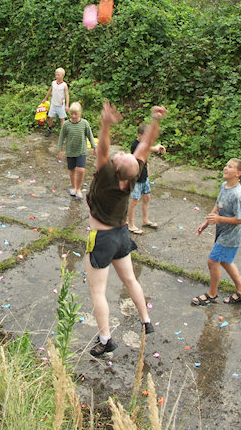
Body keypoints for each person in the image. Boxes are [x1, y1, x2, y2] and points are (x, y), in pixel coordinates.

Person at [85, 101, 165, 357]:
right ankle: (146, 321)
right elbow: (145, 145)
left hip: (102, 238)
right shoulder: (133, 174)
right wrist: (156, 120)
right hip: (121, 236)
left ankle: (105, 339)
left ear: (116, 168)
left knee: (98, 291)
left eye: (121, 156)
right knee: (130, 280)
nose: (120, 152)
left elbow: (102, 148)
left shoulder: (107, 176)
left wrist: (105, 123)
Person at [192, 158, 241, 306]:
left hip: (231, 236)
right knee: (225, 261)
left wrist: (219, 219)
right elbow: (218, 205)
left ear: (238, 173)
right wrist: (207, 221)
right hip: (223, 232)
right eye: (226, 165)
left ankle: (212, 294)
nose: (225, 168)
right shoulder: (224, 186)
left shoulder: (238, 195)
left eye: (230, 167)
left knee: (213, 261)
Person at [127, 124, 166, 234]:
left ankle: (145, 220)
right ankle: (131, 224)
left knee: (147, 197)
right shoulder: (135, 146)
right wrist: (156, 148)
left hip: (144, 177)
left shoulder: (143, 144)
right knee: (134, 201)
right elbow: (145, 148)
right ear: (140, 136)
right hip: (136, 179)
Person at [57, 101, 96, 199]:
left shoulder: (84, 123)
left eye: (76, 114)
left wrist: (94, 147)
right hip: (70, 151)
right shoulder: (66, 124)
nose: (73, 116)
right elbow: (61, 137)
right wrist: (60, 150)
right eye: (71, 114)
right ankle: (73, 187)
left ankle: (78, 188)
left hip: (81, 150)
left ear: (80, 113)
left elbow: (90, 136)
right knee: (72, 170)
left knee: (81, 170)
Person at [43, 67, 69, 137]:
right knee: (51, 117)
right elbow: (50, 91)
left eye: (58, 75)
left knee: (62, 119)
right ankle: (49, 129)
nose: (57, 76)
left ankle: (63, 132)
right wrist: (45, 99)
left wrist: (67, 105)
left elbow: (67, 95)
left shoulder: (64, 85)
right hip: (53, 104)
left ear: (63, 76)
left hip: (61, 105)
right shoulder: (53, 83)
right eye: (56, 74)